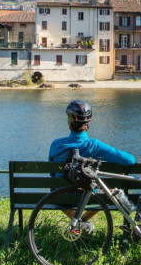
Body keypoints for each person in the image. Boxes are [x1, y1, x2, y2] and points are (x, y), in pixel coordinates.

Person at [49, 99, 135, 231]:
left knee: (58, 189)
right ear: (88, 122)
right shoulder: (94, 145)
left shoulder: (56, 145)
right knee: (107, 192)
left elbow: (51, 174)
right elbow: (130, 160)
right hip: (90, 195)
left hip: (60, 195)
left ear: (69, 122)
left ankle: (80, 222)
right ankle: (82, 220)